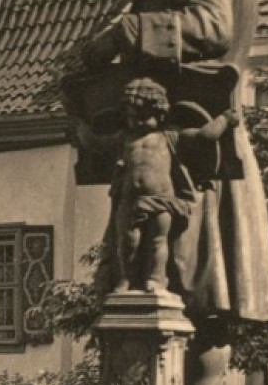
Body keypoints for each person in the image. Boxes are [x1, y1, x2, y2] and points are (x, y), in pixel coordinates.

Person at [73, 0, 268, 385]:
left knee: (166, 284)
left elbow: (209, 27)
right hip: (208, 148)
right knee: (204, 299)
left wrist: (124, 33)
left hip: (185, 155)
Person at [76, 77, 238, 296]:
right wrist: (78, 122)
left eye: (145, 117)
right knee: (127, 242)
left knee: (157, 241)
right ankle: (126, 280)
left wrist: (225, 119)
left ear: (160, 113)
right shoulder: (123, 139)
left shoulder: (170, 136)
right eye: (133, 117)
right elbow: (95, 142)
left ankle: (156, 279)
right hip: (128, 200)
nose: (139, 122)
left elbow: (205, 136)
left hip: (162, 199)